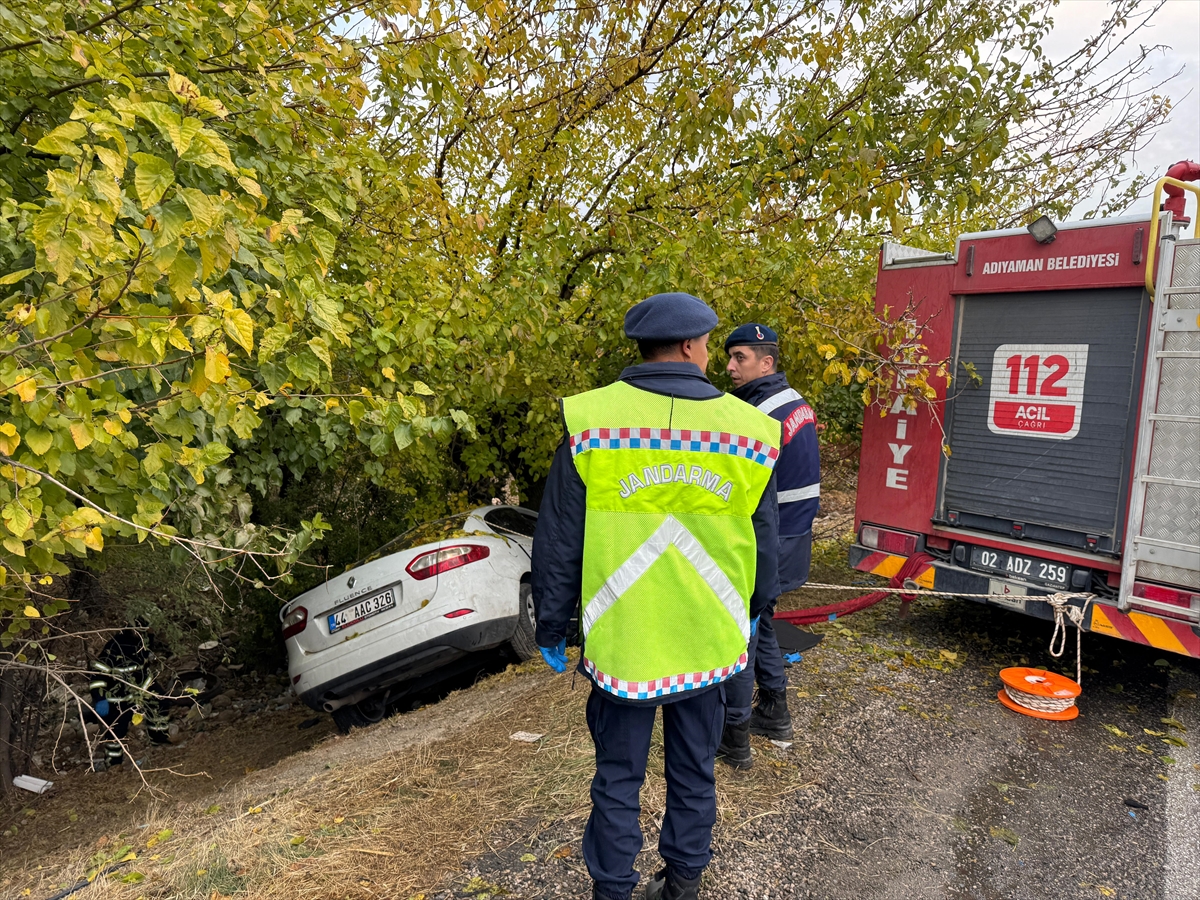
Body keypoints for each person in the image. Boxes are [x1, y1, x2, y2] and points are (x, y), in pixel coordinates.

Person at [531, 293, 781, 900]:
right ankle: (684, 885)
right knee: (695, 771)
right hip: (708, 637)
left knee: (617, 777)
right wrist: (754, 611)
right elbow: (765, 540)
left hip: (625, 642)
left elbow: (560, 535)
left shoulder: (592, 421)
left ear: (641, 349)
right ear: (694, 347)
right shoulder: (751, 431)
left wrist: (551, 624)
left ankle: (612, 890)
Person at [716, 323, 820, 768]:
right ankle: (774, 712)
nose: (729, 367)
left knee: (743, 629)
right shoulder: (793, 404)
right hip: (792, 534)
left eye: (740, 357)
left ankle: (734, 735)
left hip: (768, 538)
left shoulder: (760, 413)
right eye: (729, 357)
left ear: (766, 362)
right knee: (762, 619)